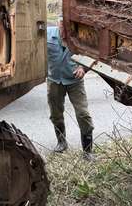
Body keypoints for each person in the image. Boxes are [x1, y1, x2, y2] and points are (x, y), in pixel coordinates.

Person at [47, 17, 94, 159]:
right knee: (56, 114)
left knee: (83, 114)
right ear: (58, 25)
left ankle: (87, 151)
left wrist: (83, 68)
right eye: (62, 27)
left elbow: (91, 54)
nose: (64, 32)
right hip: (54, 81)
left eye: (67, 28)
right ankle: (61, 142)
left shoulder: (80, 37)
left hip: (75, 81)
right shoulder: (48, 34)